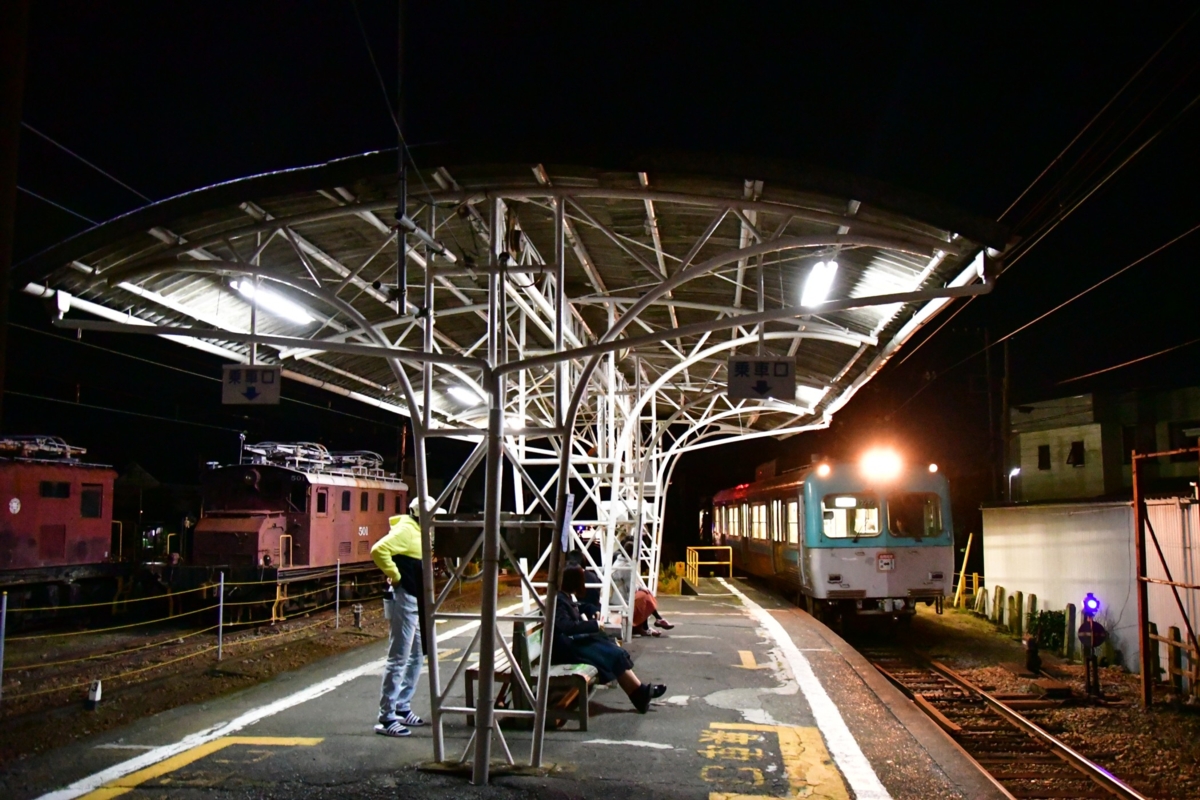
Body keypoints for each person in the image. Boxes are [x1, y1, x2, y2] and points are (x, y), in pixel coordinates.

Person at [553, 566, 666, 713]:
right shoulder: (560, 600)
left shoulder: (563, 597)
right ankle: (640, 693)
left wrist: (593, 611)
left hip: (572, 644)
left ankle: (640, 693)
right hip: (569, 649)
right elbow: (566, 626)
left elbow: (579, 608)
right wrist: (594, 625)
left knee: (611, 649)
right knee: (611, 651)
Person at [369, 496, 432, 737]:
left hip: (414, 599)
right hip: (405, 598)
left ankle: (402, 707)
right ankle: (386, 717)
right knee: (399, 656)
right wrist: (396, 577)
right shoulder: (407, 530)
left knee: (416, 654)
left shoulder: (417, 530)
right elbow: (379, 549)